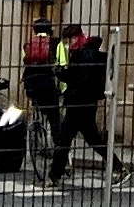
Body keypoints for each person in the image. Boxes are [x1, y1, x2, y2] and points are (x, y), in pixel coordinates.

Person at [57, 22, 114, 179]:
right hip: (85, 103)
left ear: (76, 38)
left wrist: (64, 75)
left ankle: (54, 175)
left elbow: (81, 80)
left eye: (69, 41)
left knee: (64, 139)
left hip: (79, 103)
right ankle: (118, 167)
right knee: (92, 139)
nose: (69, 45)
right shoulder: (85, 52)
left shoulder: (85, 54)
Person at [20, 16, 63, 183]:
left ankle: (36, 127)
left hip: (31, 85)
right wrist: (62, 89)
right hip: (47, 84)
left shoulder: (27, 44)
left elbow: (25, 62)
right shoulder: (56, 43)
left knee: (37, 105)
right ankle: (60, 151)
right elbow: (62, 64)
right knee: (54, 118)